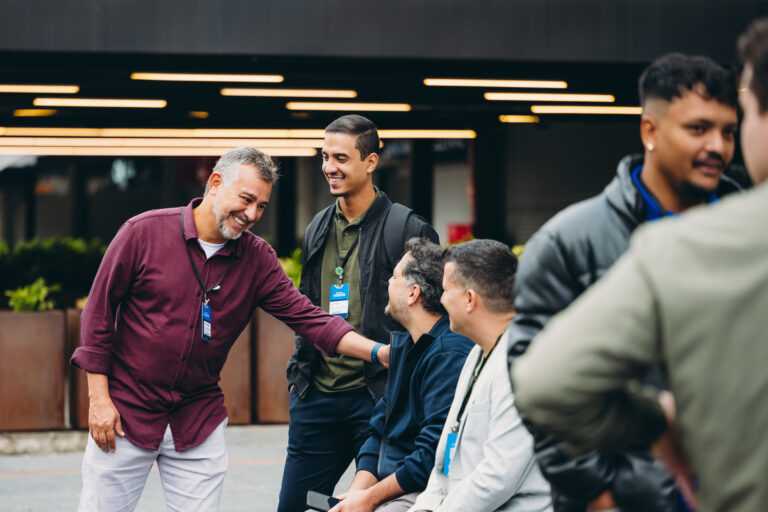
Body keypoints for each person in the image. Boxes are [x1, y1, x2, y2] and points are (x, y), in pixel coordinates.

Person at [511, 18, 768, 512]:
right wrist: (601, 495)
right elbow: (537, 387)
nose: (718, 146)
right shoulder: (567, 241)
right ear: (649, 130)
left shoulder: (743, 231)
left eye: (730, 131)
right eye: (699, 129)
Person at [71, 146, 388, 512]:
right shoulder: (142, 233)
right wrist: (99, 400)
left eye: (262, 207)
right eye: (246, 199)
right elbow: (97, 314)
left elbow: (310, 319)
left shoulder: (257, 260)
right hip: (126, 413)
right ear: (216, 183)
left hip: (197, 418)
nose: (252, 214)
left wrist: (380, 353)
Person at [279, 115, 439, 511]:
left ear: (370, 162)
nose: (329, 167)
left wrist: (406, 380)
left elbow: (432, 317)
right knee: (298, 505)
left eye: (341, 158)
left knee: (371, 503)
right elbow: (306, 305)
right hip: (317, 395)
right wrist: (301, 376)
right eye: (324, 156)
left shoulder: (406, 227)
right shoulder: (318, 226)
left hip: (378, 394)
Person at [329, 238, 473, 512]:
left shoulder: (448, 354)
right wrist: (353, 497)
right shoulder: (406, 345)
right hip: (390, 485)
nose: (388, 282)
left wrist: (370, 499)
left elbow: (431, 456)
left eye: (395, 276)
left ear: (412, 293)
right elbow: (379, 430)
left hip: (424, 489)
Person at [409, 239, 552, 512]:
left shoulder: (524, 363)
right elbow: (444, 467)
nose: (440, 300)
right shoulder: (477, 352)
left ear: (470, 299)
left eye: (446, 290)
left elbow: (498, 477)